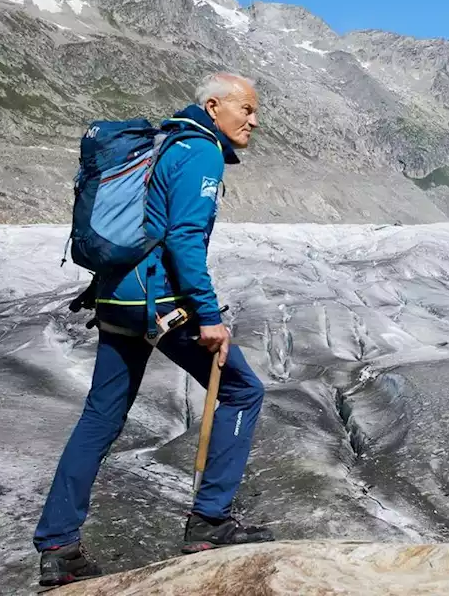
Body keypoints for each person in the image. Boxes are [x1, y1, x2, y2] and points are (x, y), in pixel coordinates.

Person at [33, 73, 274, 588]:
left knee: (100, 416)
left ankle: (58, 547)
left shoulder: (165, 144)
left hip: (117, 299)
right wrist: (208, 316)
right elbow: (185, 240)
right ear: (213, 106)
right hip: (159, 304)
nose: (254, 120)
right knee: (241, 390)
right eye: (246, 109)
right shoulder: (201, 152)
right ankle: (210, 521)